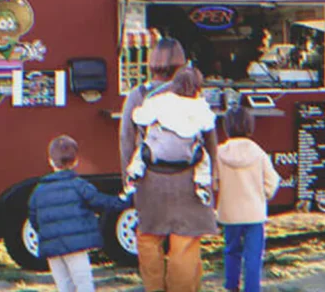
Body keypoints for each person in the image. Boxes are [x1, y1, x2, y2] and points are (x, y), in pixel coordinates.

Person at [119, 37, 219, 292]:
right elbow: (209, 138)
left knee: (149, 238)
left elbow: (125, 138)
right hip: (188, 178)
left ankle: (154, 288)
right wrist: (213, 175)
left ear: (152, 62)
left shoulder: (139, 95)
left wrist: (128, 178)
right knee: (185, 242)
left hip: (151, 177)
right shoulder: (194, 94)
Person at [28, 135, 131, 292]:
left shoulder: (38, 190)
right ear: (76, 161)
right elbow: (101, 202)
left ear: (50, 161)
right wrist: (124, 198)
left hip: (52, 247)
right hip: (77, 247)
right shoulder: (79, 185)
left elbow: (34, 220)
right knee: (83, 284)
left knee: (64, 285)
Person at [122, 66, 217, 206]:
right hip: (188, 154)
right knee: (204, 160)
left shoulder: (160, 101)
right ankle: (201, 185)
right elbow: (208, 124)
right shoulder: (200, 106)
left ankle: (133, 176)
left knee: (141, 153)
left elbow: (139, 118)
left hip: (158, 151)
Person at [215, 105, 281, 292]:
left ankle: (231, 286)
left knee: (231, 251)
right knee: (253, 256)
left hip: (229, 212)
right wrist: (263, 195)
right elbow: (272, 180)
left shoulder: (219, 152)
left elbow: (214, 181)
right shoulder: (258, 153)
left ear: (226, 126)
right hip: (254, 212)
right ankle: (252, 288)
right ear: (249, 126)